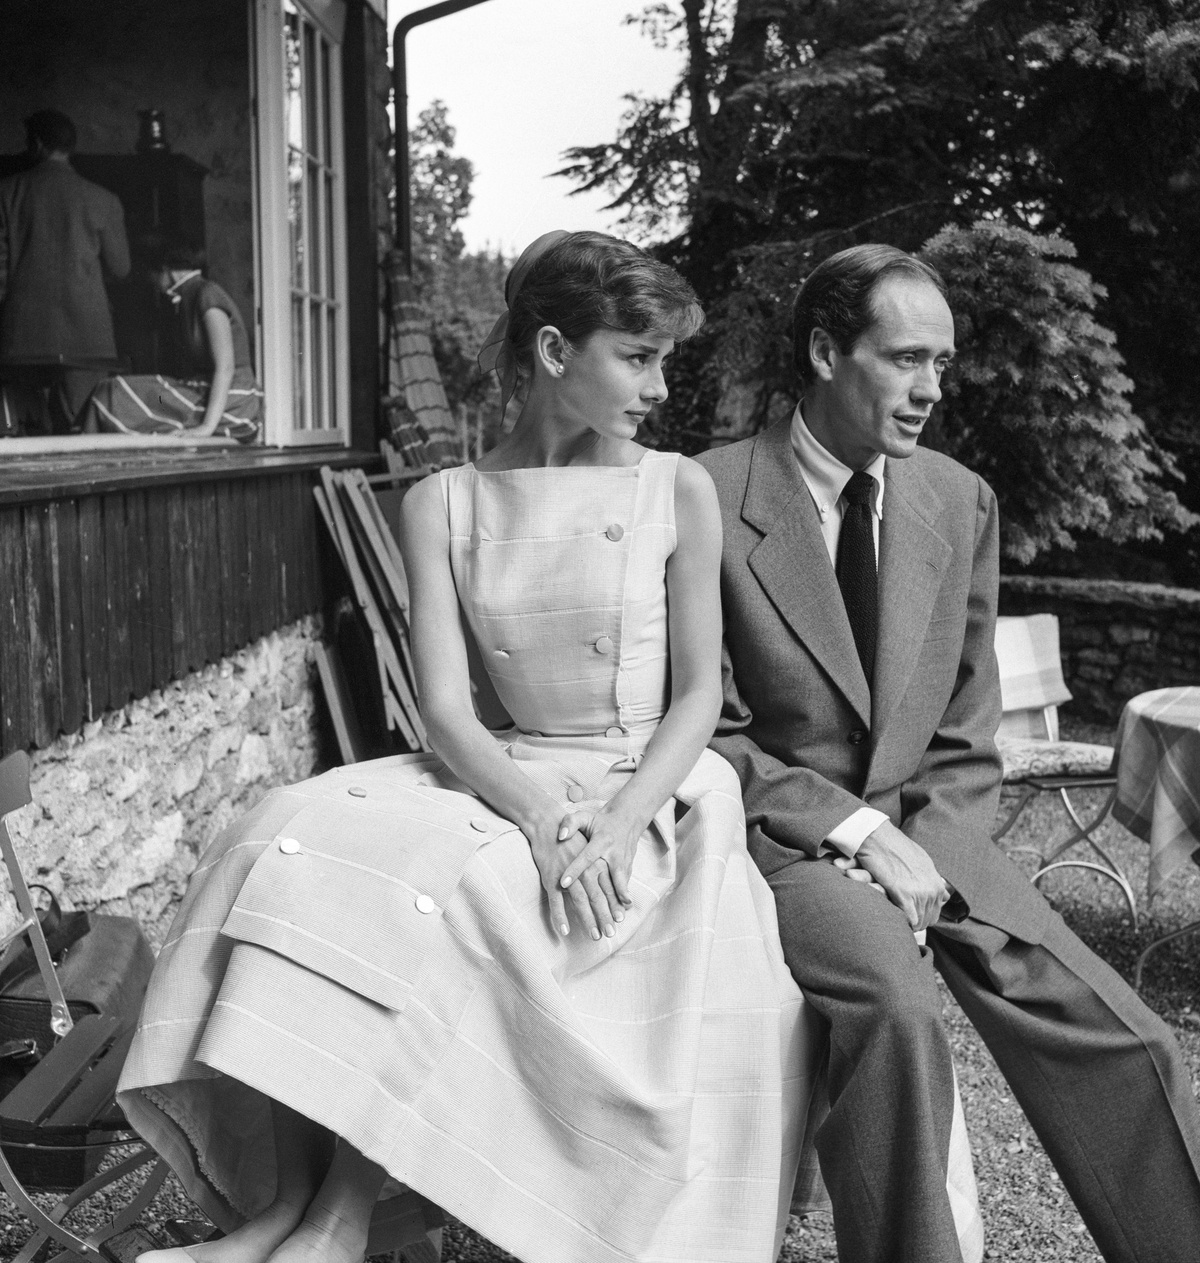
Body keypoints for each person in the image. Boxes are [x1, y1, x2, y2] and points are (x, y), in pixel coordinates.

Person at [119, 231, 822, 1263]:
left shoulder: (674, 489)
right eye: (637, 357)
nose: (660, 387)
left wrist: (617, 830)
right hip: (505, 769)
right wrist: (537, 818)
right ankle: (287, 1210)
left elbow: (698, 696)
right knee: (286, 834)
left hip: (640, 781)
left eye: (663, 358)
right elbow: (443, 710)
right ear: (551, 351)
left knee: (449, 896)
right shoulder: (441, 502)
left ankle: (336, 1225)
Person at [696, 243, 1200, 1263]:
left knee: (1125, 1037)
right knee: (902, 1024)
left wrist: (930, 848)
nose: (930, 391)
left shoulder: (957, 500)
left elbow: (963, 729)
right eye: (906, 359)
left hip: (933, 832)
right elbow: (709, 732)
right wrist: (859, 837)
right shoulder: (705, 496)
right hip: (784, 842)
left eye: (942, 365)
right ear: (824, 351)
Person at [0, 108, 129, 429]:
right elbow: (121, 268)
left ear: (38, 144)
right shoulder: (104, 199)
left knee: (22, 430)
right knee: (84, 430)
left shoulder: (6, 192)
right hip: (87, 337)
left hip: (23, 337)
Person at [85, 239, 262, 442]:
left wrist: (205, 428)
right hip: (203, 393)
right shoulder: (187, 296)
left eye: (152, 276)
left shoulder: (207, 294)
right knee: (112, 389)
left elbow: (226, 367)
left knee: (113, 392)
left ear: (164, 270)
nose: (152, 283)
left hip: (233, 402)